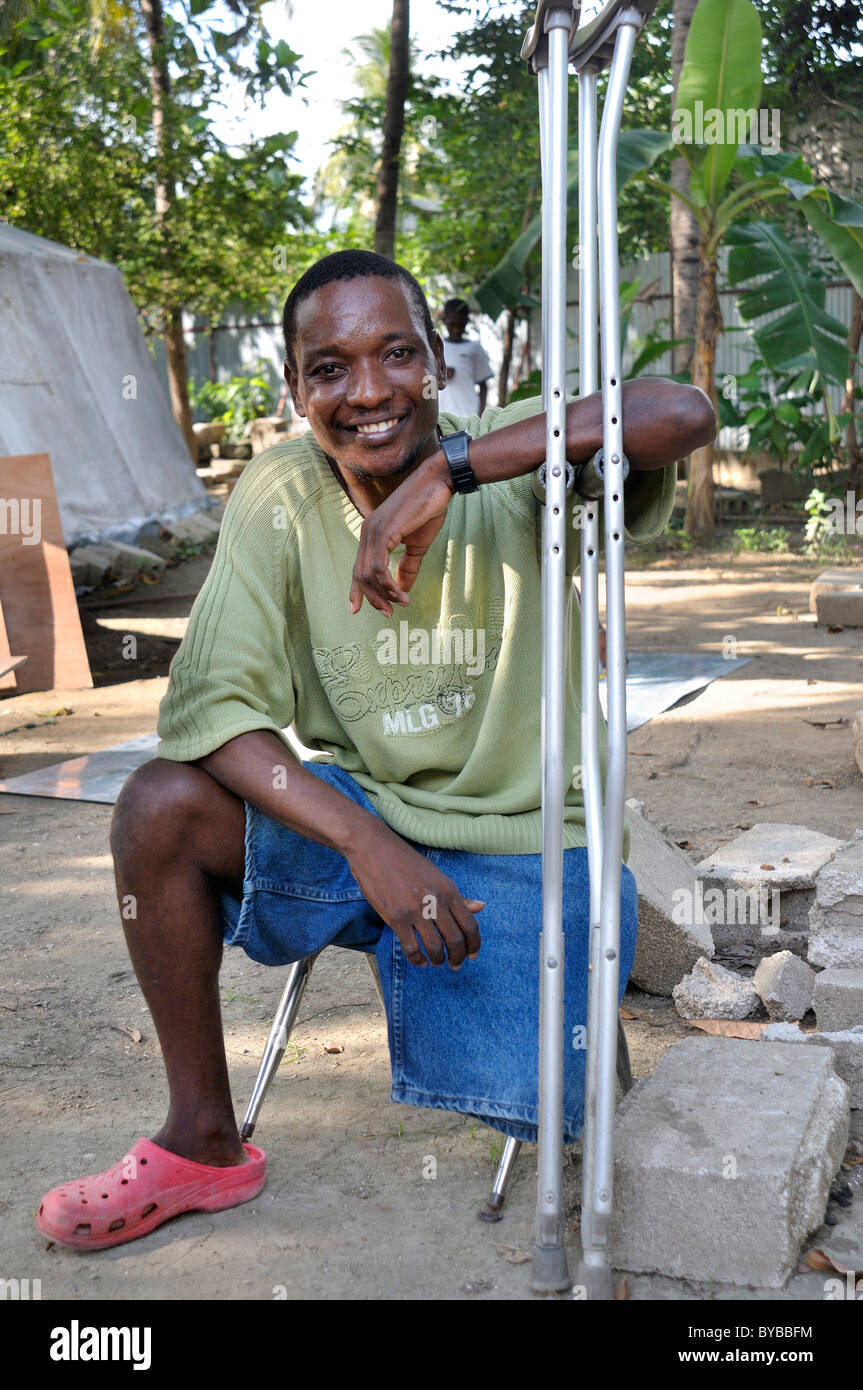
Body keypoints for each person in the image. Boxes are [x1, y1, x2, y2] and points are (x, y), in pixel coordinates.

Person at [36, 249, 715, 1251]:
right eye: (329, 368)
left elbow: (680, 413)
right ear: (294, 387)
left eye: (397, 353)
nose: (367, 391)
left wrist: (450, 469)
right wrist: (365, 843)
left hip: (524, 837)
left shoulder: (512, 455)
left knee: (551, 1109)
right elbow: (212, 708)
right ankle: (201, 1138)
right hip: (363, 821)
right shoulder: (277, 489)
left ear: (438, 359)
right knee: (157, 803)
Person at [440, 297, 493, 416]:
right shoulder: (435, 347)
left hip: (468, 414)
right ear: (444, 320)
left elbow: (483, 386)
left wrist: (480, 414)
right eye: (452, 324)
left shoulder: (475, 348)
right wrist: (440, 373)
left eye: (461, 325)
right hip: (442, 416)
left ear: (466, 322)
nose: (456, 329)